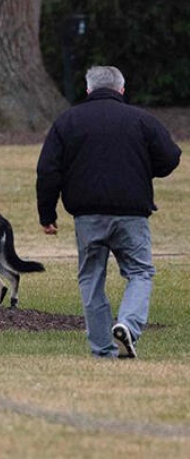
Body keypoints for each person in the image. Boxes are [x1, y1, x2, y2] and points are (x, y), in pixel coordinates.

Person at [36, 66, 181, 359]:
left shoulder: (68, 121)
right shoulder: (141, 119)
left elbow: (48, 170)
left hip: (87, 215)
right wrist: (141, 170)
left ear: (88, 90)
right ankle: (128, 324)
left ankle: (102, 351)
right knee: (139, 271)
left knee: (91, 277)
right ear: (122, 90)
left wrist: (47, 214)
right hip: (131, 213)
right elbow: (170, 157)